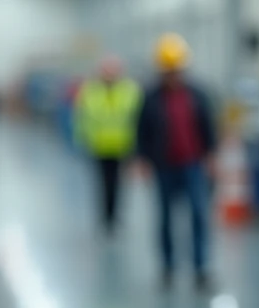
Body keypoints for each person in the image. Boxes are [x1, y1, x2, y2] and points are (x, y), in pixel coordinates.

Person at [136, 33, 217, 290]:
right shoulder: (150, 97)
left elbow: (207, 127)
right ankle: (168, 268)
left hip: (193, 164)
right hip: (164, 165)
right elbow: (142, 130)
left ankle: (201, 268)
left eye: (176, 70)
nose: (173, 75)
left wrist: (211, 157)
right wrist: (143, 160)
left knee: (198, 214)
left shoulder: (198, 94)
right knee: (165, 218)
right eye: (168, 70)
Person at [72, 55, 142, 232]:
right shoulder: (90, 90)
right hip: (99, 145)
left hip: (122, 145)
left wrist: (138, 146)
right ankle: (104, 217)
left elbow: (139, 118)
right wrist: (82, 140)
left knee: (118, 184)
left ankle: (115, 216)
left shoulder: (130, 90)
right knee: (102, 184)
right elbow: (81, 117)